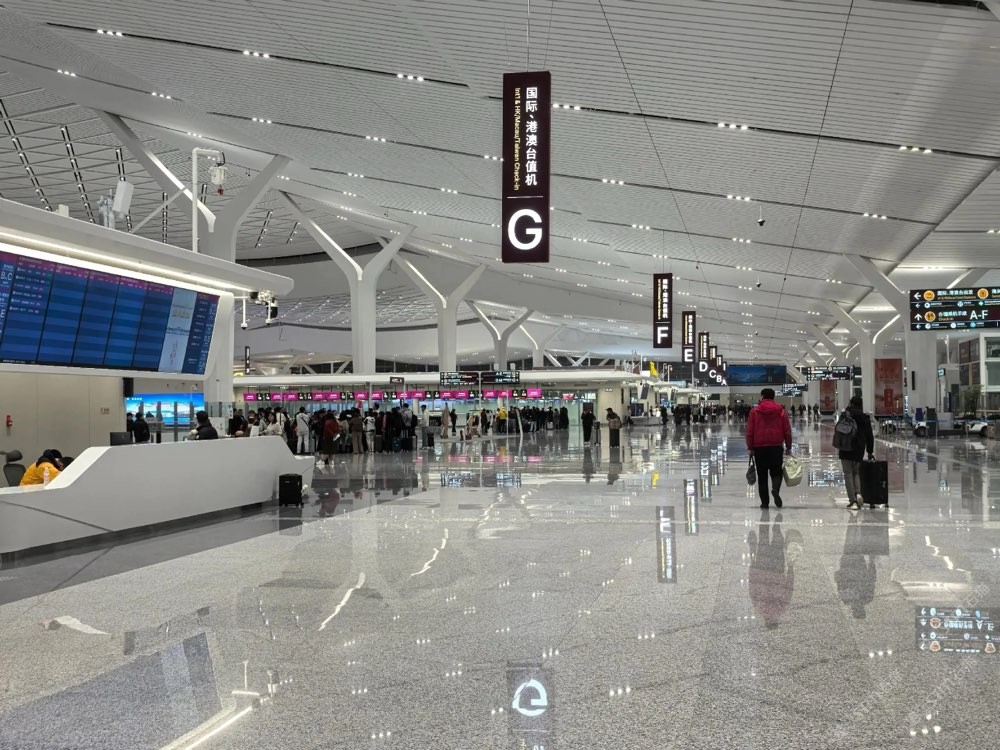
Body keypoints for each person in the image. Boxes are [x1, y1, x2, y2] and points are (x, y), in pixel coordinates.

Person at [745, 388, 793, 509]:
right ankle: (775, 489)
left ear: (762, 396)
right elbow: (787, 430)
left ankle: (765, 503)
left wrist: (750, 447)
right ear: (773, 397)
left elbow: (749, 431)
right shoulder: (781, 411)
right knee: (776, 472)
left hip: (759, 448)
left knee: (762, 476)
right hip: (776, 447)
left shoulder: (754, 411)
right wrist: (788, 446)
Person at [837, 396, 875, 510]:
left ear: (851, 403)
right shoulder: (865, 418)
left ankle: (852, 501)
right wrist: (870, 451)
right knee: (856, 473)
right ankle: (858, 493)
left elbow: (838, 430)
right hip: (859, 449)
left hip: (845, 448)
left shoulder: (845, 415)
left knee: (848, 474)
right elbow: (870, 436)